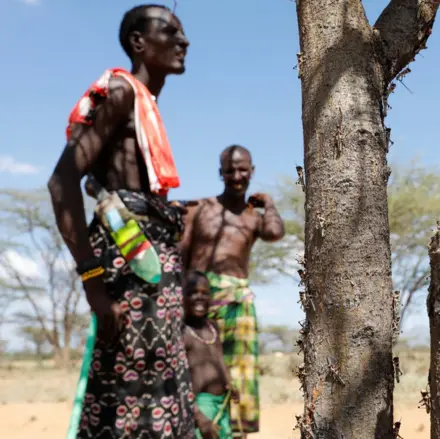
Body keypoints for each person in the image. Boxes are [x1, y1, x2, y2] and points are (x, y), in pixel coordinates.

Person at [47, 5, 205, 438]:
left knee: (158, 384)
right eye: (169, 31)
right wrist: (94, 284)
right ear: (138, 42)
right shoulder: (120, 91)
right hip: (126, 276)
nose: (183, 41)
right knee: (126, 393)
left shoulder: (145, 105)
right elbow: (62, 182)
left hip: (154, 279)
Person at [180, 145, 285, 437]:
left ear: (252, 172)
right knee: (196, 365)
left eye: (243, 170)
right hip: (201, 298)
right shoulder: (200, 208)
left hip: (239, 301)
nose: (236, 176)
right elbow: (182, 255)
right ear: (220, 173)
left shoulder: (254, 216)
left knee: (240, 373)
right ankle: (197, 426)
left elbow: (276, 233)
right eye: (230, 170)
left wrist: (269, 203)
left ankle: (236, 432)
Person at [183, 270, 240, 439]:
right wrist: (198, 416)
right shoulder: (181, 331)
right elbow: (180, 380)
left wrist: (229, 381)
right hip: (200, 405)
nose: (199, 297)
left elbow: (219, 358)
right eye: (192, 293)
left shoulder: (212, 327)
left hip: (222, 401)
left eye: (205, 293)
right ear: (180, 296)